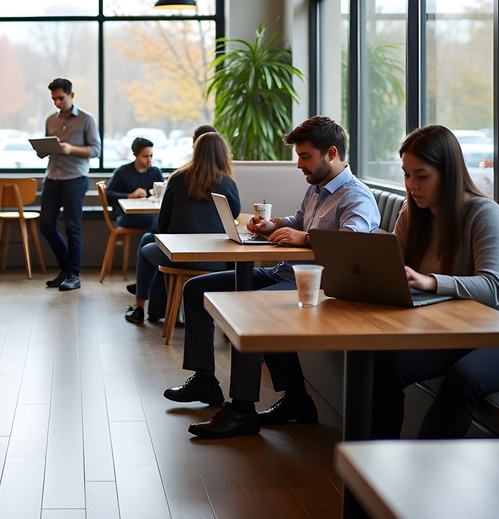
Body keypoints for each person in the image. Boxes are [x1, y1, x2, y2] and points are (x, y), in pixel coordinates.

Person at [165, 116, 380, 439]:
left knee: (252, 309)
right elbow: (300, 219)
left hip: (317, 287)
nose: (298, 165)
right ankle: (211, 381)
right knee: (198, 289)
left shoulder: (356, 196)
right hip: (284, 272)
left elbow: (352, 244)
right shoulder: (317, 188)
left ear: (331, 153)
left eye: (305, 156)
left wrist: (304, 238)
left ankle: (241, 411)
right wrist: (274, 225)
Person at [371, 125, 499, 439]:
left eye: (421, 176)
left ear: (448, 173)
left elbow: (492, 287)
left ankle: (421, 477)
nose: (412, 185)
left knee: (462, 378)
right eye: (406, 175)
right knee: (382, 363)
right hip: (455, 335)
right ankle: (369, 466)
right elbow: (392, 270)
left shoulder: (483, 213)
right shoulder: (411, 215)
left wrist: (431, 282)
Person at [125, 132, 239, 324]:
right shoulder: (228, 183)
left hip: (177, 257)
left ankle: (140, 308)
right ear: (222, 154)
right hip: (216, 261)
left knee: (146, 249)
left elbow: (163, 222)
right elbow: (233, 215)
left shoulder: (178, 178)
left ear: (196, 151)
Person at [40, 78, 101, 292]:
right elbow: (49, 146)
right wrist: (43, 149)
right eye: (53, 99)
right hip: (53, 177)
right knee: (46, 225)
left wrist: (70, 149)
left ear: (71, 95)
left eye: (60, 98)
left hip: (75, 178)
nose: (57, 103)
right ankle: (66, 269)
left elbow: (95, 150)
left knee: (72, 227)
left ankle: (74, 275)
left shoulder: (86, 119)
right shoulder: (50, 120)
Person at [105, 136, 164, 231]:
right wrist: (130, 195)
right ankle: (152, 244)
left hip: (150, 213)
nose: (149, 160)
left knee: (160, 218)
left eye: (151, 156)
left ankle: (150, 243)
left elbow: (163, 194)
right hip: (126, 216)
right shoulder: (122, 172)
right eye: (145, 156)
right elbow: (108, 194)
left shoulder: (155, 172)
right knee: (157, 220)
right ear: (135, 154)